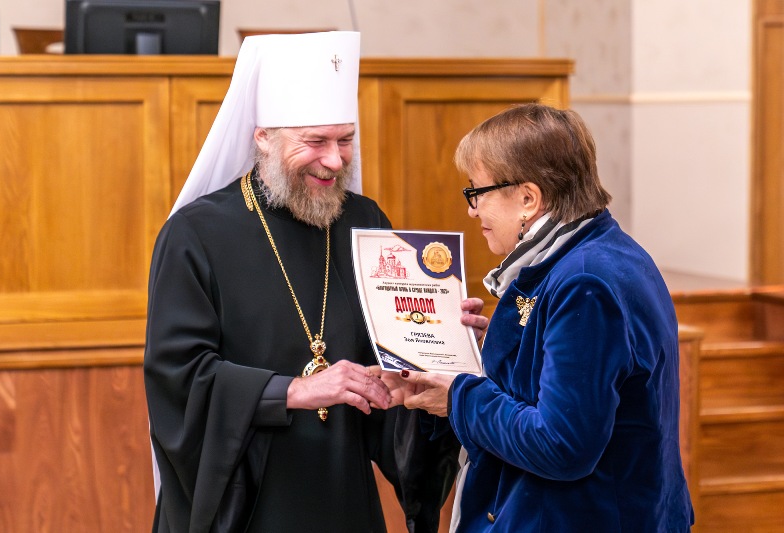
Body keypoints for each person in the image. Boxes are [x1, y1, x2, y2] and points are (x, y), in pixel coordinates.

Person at [143, 31, 462, 532]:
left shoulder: (366, 221)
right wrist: (292, 391)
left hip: (343, 497)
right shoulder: (195, 234)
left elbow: (393, 381)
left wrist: (441, 347)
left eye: (345, 140)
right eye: (315, 141)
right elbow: (178, 379)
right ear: (263, 137)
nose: (335, 160)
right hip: (248, 508)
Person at [395, 103, 695, 532]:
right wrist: (489, 354)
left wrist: (459, 397)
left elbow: (562, 444)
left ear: (528, 199)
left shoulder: (585, 282)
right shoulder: (599, 252)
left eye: (476, 192)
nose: (472, 210)